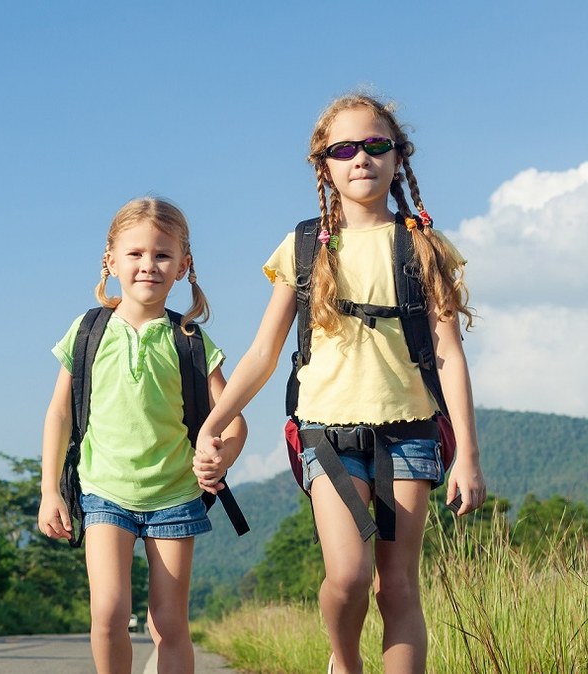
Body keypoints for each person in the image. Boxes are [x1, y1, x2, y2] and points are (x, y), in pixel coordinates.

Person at [192, 93, 487, 674]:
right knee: (349, 576)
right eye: (345, 148)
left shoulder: (423, 245)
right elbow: (261, 353)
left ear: (399, 158)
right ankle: (344, 661)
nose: (362, 159)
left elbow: (450, 355)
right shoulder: (303, 246)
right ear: (322, 165)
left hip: (412, 431)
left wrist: (469, 457)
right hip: (326, 430)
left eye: (377, 146)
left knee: (397, 587)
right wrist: (213, 425)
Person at [38, 196, 247, 674]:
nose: (148, 265)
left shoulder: (190, 340)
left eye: (162, 255)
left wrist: (223, 456)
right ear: (110, 260)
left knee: (168, 623)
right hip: (102, 491)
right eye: (134, 254)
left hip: (174, 494)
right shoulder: (88, 331)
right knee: (108, 612)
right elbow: (58, 415)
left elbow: (233, 422)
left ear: (182, 266)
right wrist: (51, 490)